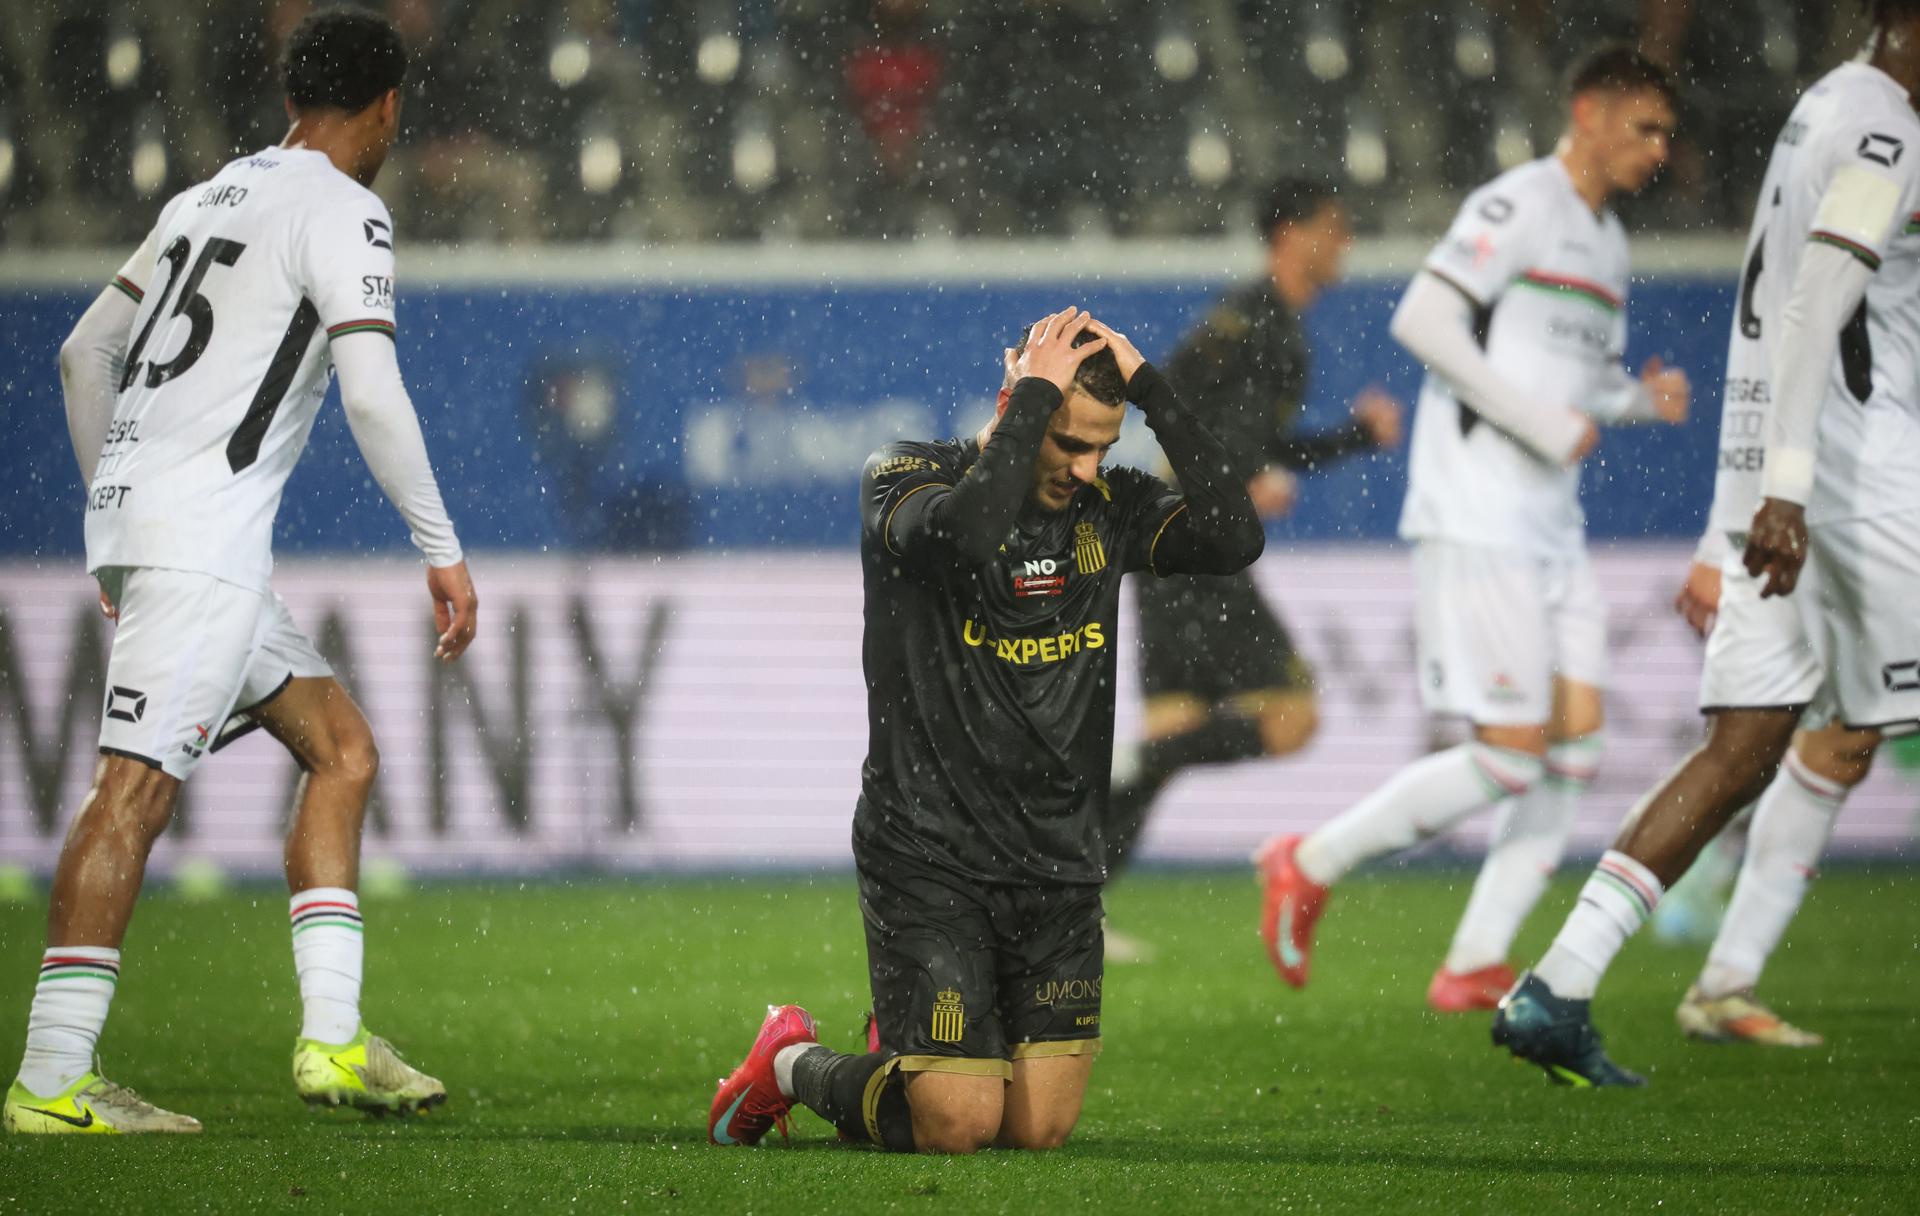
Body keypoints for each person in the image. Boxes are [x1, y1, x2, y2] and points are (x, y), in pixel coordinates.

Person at [3, 7, 478, 1135]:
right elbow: (370, 390)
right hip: (202, 545)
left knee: (343, 749)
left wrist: (109, 507)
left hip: (161, 531)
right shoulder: (347, 210)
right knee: (134, 791)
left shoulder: (202, 196)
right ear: (387, 107)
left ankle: (332, 1039)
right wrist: (440, 548)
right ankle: (51, 1078)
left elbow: (84, 356)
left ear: (288, 100)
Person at [707, 309, 1262, 1153]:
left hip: (1059, 862)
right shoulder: (905, 477)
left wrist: (1152, 389)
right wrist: (1035, 396)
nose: (1085, 469)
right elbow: (966, 540)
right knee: (961, 1123)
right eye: (1066, 441)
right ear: (1018, 405)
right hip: (931, 854)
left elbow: (1234, 535)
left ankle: (915, 1049)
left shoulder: (1109, 507)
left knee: (1037, 1128)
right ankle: (789, 1064)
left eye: (1102, 448)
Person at [1493, 0, 1920, 1086]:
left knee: (1749, 745)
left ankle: (1559, 984)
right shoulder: (1886, 130)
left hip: (1797, 482)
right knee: (1804, 737)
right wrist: (1781, 491)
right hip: (1858, 479)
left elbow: (1768, 305)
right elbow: (1818, 297)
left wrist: (1738, 511)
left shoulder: (1828, 106)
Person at [1255, 43, 1690, 1011]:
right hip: (1481, 510)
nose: (1660, 149)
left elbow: (1565, 384)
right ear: (1588, 113)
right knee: (1508, 751)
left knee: (1573, 741)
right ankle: (1308, 858)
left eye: (1668, 132)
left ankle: (1474, 959)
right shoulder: (1519, 204)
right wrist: (1544, 423)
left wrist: (1633, 398)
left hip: (1552, 522)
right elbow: (1424, 320)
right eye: (1645, 126)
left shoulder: (1608, 243)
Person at [1102, 178, 1402, 893]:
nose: (1345, 243)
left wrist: (1351, 438)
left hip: (1177, 538)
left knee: (1177, 729)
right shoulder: (1251, 319)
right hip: (1193, 535)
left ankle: (1066, 901)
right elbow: (1168, 393)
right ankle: (1122, 763)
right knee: (1291, 716)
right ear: (1290, 235)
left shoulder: (1275, 326)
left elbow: (1260, 441)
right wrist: (1230, 474)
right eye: (1334, 227)